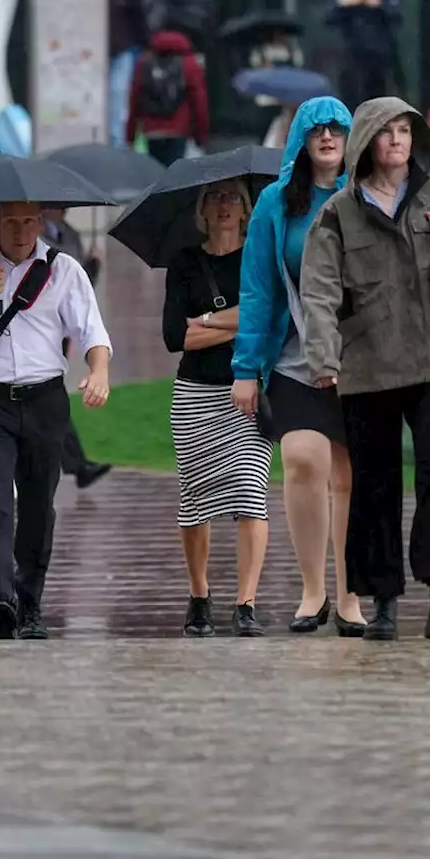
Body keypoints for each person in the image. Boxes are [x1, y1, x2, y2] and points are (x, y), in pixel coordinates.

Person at [300, 96, 430, 642]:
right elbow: (317, 290)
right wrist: (323, 358)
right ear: (365, 142)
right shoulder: (337, 212)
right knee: (375, 484)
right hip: (366, 369)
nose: (397, 139)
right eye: (385, 131)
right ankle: (382, 601)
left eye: (405, 130)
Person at [0, 203, 112, 641]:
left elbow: (93, 332)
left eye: (28, 222)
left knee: (38, 508)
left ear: (41, 223)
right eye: (10, 222)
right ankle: (1, 601)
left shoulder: (64, 270)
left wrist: (100, 372)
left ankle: (30, 600)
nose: (19, 231)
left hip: (44, 399)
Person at [231, 96, 366, 636]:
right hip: (294, 358)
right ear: (301, 139)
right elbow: (258, 287)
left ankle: (352, 593)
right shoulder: (274, 203)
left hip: (360, 361)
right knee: (302, 460)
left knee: (351, 475)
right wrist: (246, 366)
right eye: (317, 129)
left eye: (338, 128)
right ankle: (314, 589)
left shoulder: (367, 195)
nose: (328, 137)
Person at [163, 179, 273, 637]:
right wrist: (242, 322)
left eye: (232, 197)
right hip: (195, 395)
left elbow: (269, 318)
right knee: (195, 501)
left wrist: (205, 320)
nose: (224, 205)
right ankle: (199, 594)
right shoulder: (185, 262)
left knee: (251, 493)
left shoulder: (260, 256)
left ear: (247, 208)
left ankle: (246, 602)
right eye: (214, 198)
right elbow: (175, 337)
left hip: (248, 393)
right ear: (202, 210)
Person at [41, 208, 111, 489]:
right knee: (50, 401)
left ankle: (77, 464)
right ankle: (78, 464)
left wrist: (93, 265)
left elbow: (80, 291)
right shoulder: (34, 235)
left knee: (50, 400)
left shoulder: (71, 234)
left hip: (61, 330)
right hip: (40, 329)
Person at [325, 0, 401, 107]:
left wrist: (378, 4)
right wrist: (343, 3)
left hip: (378, 55)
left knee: (377, 98)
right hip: (353, 54)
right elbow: (329, 18)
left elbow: (396, 15)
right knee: (352, 94)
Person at [126, 29, 209, 167]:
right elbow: (199, 103)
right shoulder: (189, 64)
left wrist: (130, 137)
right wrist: (200, 136)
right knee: (174, 175)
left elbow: (134, 100)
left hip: (152, 132)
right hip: (178, 130)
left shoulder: (144, 63)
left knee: (156, 174)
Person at [108, 0, 149, 149]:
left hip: (120, 53)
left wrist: (143, 46)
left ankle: (118, 145)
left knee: (119, 101)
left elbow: (139, 21)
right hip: (97, 54)